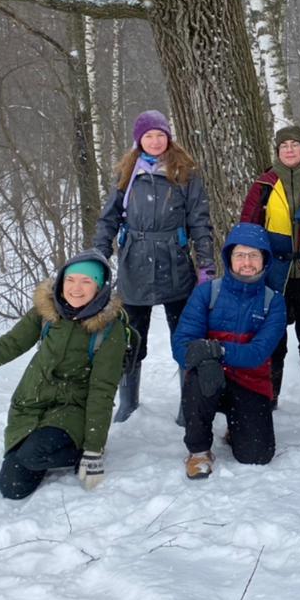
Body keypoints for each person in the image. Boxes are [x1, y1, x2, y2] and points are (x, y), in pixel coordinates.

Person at [0, 252, 128, 499]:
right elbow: (6, 346)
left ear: (99, 287)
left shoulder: (110, 330)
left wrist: (94, 450)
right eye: (71, 279)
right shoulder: (46, 313)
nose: (76, 288)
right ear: (62, 280)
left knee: (34, 454)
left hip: (72, 410)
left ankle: (78, 449)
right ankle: (41, 444)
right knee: (12, 488)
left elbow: (102, 391)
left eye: (87, 281)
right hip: (29, 405)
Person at [94, 109, 213, 422]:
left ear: (169, 137)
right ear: (139, 140)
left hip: (175, 260)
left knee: (185, 335)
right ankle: (128, 401)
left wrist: (206, 265)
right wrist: (98, 255)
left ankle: (188, 404)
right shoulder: (126, 173)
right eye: (149, 135)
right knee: (130, 336)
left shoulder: (186, 172)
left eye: (160, 134)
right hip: (135, 261)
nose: (156, 141)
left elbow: (200, 221)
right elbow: (108, 217)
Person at [173, 223, 287, 479]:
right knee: (198, 380)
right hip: (211, 377)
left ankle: (238, 428)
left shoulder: (273, 302)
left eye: (254, 255)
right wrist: (207, 360)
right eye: (240, 255)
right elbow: (182, 343)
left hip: (251, 382)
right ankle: (199, 452)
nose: (247, 262)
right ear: (229, 258)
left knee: (257, 456)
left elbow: (259, 352)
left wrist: (218, 350)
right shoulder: (207, 293)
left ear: (264, 260)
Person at [239, 125, 300, 416]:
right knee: (273, 336)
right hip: (275, 272)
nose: (290, 150)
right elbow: (248, 225)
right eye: (285, 146)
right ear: (278, 151)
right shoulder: (265, 184)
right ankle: (269, 393)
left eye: (295, 144)